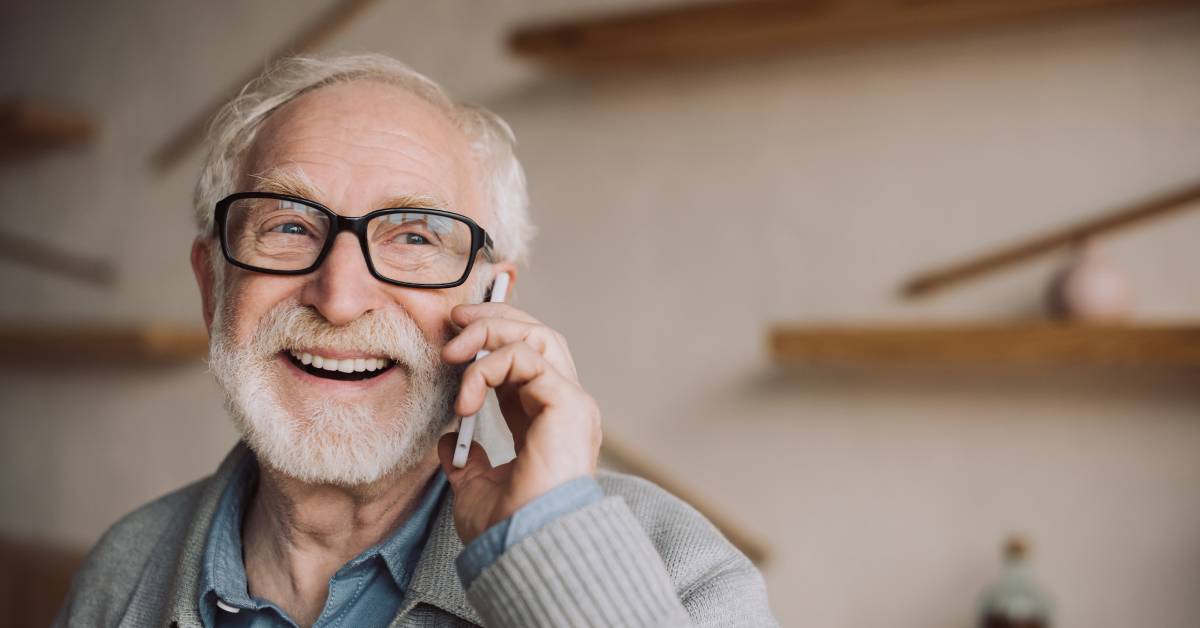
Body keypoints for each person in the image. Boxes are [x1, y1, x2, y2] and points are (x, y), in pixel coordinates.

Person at [56, 53, 776, 627]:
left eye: (413, 237)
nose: (339, 299)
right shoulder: (125, 568)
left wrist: (550, 554)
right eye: (287, 227)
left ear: (492, 302)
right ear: (214, 287)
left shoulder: (681, 571)